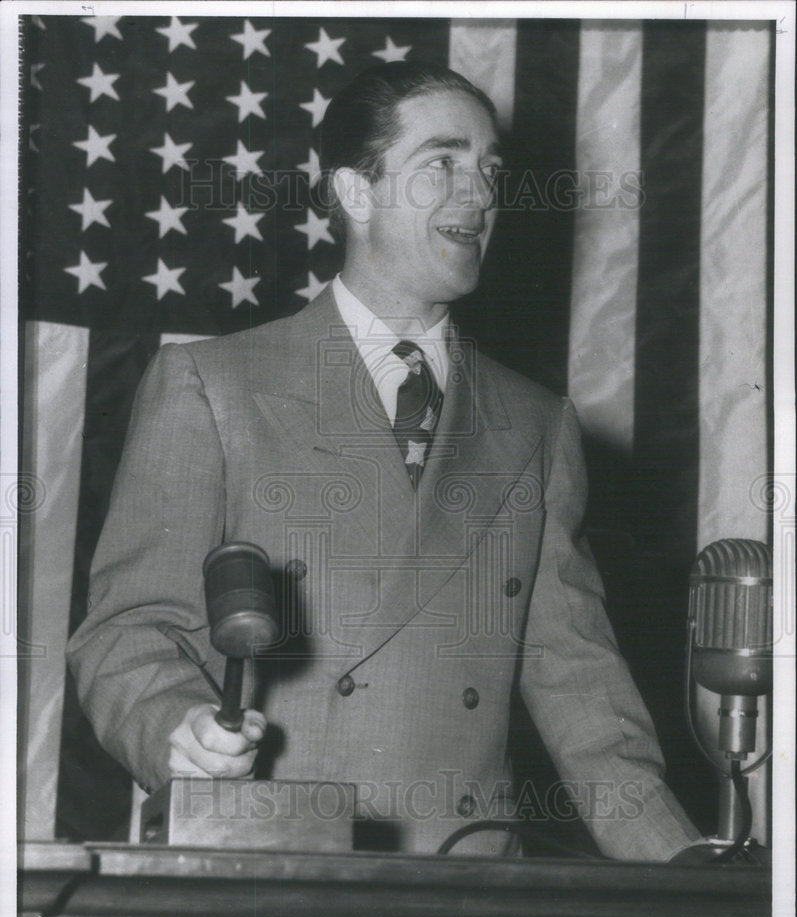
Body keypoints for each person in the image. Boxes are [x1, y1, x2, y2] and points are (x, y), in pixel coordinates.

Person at [67, 61, 701, 859]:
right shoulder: (213, 385)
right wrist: (175, 727)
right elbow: (130, 631)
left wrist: (688, 873)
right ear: (355, 193)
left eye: (488, 169)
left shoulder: (536, 425)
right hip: (269, 864)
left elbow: (581, 689)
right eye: (442, 162)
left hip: (465, 887)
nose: (478, 193)